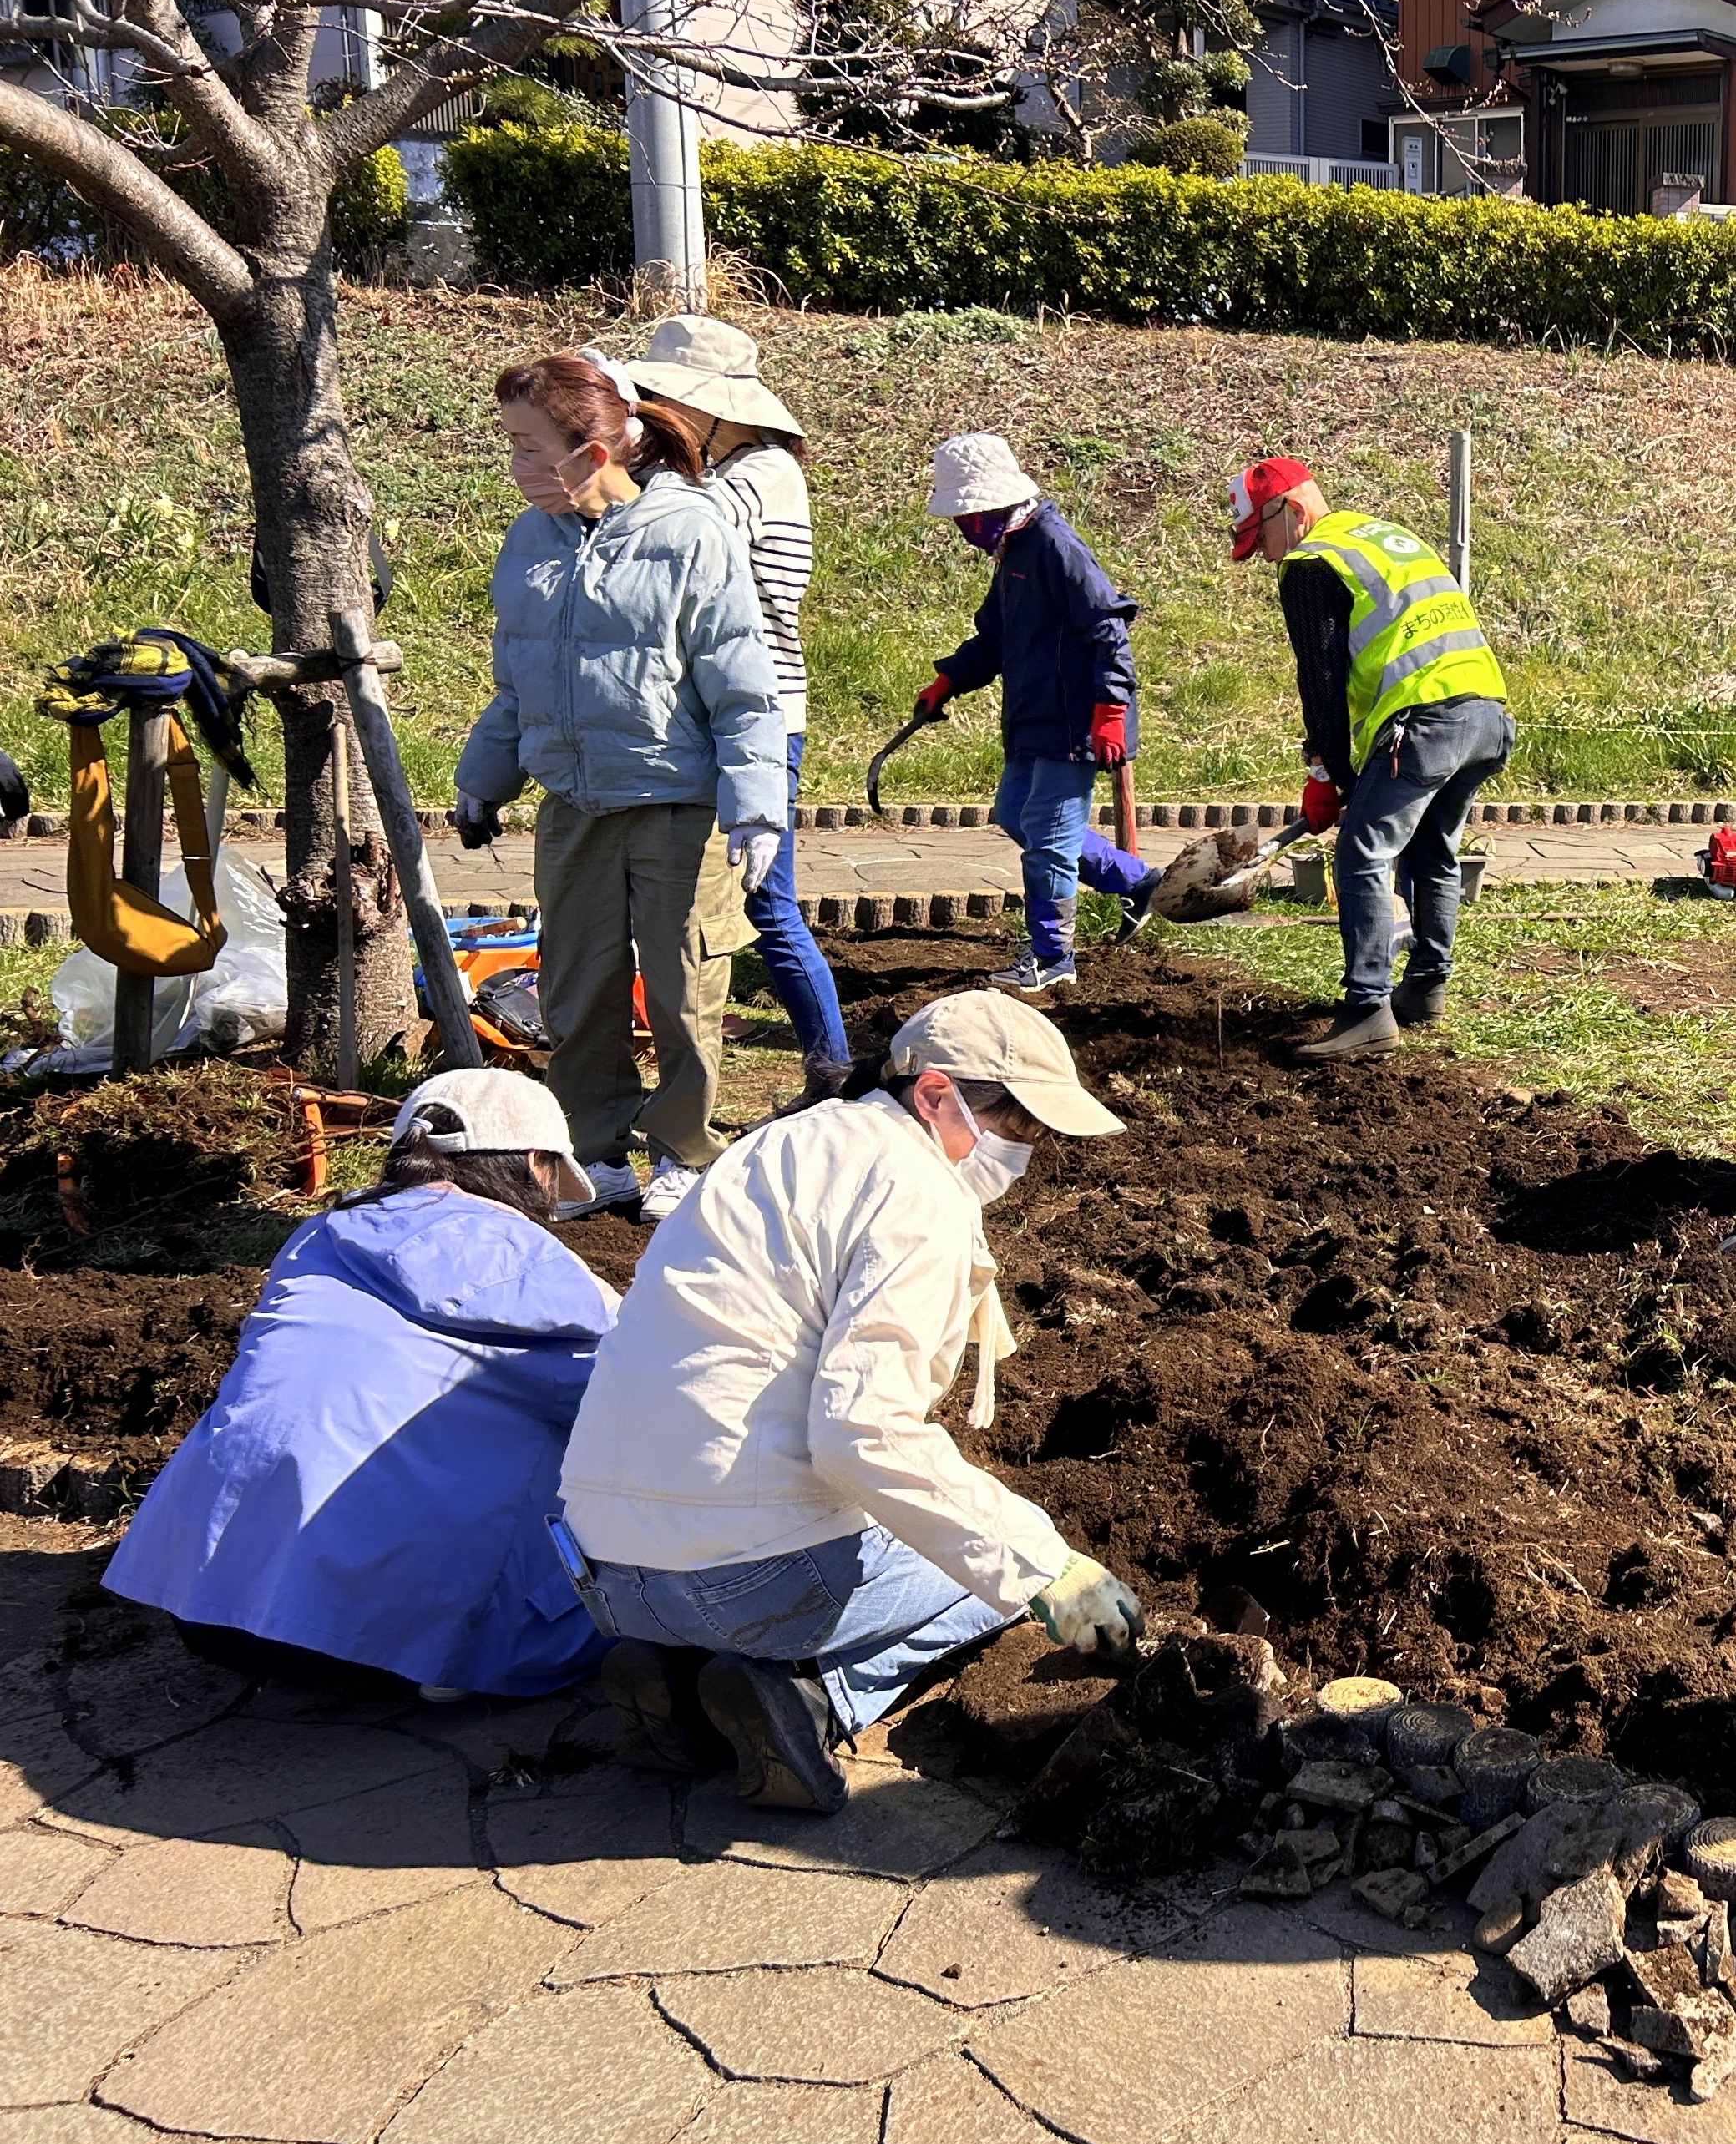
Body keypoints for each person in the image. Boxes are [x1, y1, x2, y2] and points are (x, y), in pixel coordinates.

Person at [552, 990, 1147, 1813]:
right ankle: (812, 1701)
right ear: (934, 1095)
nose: (1023, 1155)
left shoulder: (777, 1145)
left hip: (607, 1575)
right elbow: (861, 1434)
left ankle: (674, 1685)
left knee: (918, 1532)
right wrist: (1047, 1567)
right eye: (1018, 1129)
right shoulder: (917, 1193)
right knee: (992, 1576)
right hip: (740, 1585)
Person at [102, 1071, 617, 1702]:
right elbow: (635, 1406)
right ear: (536, 1162)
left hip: (204, 1605)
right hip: (376, 1646)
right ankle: (461, 1642)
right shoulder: (547, 1272)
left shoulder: (316, 1238)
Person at [458, 351, 788, 1221]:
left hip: (679, 808)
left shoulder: (690, 532)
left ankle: (684, 1152)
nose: (516, 466)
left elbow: (742, 682)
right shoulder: (530, 540)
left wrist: (757, 809)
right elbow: (516, 683)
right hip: (576, 809)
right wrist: (482, 781)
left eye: (529, 447)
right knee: (577, 991)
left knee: (683, 991)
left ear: (592, 453)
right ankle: (597, 1153)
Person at [625, 317, 850, 1100]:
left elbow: (683, 541)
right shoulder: (728, 471)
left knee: (769, 904)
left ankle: (832, 1075)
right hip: (724, 713)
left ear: (716, 407)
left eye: (663, 400)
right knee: (737, 903)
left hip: (761, 713)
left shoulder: (762, 473)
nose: (652, 412)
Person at [1229, 455, 1513, 1060]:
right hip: (1486, 713)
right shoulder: (1382, 538)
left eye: (1261, 538)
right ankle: (1426, 987)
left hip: (1425, 721)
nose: (1265, 556)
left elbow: (1321, 678)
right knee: (1432, 850)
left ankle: (1366, 1010)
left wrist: (1327, 772)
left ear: (1291, 510)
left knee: (1361, 851)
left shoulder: (1311, 562)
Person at [912, 434, 1154, 995]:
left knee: (1048, 838)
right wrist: (950, 679)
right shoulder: (1014, 553)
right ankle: (1139, 882)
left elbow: (1108, 627)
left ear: (995, 504)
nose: (964, 527)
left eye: (969, 515)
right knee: (1016, 813)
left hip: (1076, 720)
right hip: (1034, 718)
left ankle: (1052, 957)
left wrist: (1111, 708)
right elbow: (995, 639)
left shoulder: (1053, 543)